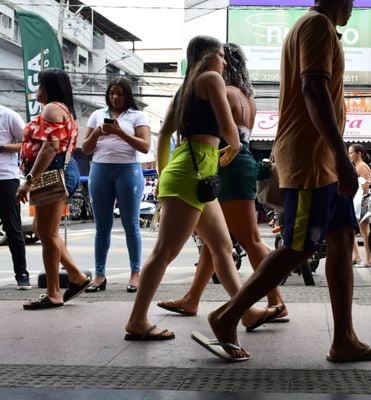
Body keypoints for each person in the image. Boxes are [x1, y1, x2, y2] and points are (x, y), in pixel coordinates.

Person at [196, 0, 371, 363]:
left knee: (343, 237)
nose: (352, 6)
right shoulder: (315, 27)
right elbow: (313, 89)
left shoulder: (319, 28)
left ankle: (344, 337)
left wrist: (337, 158)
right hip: (313, 159)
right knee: (298, 246)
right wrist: (339, 156)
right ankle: (227, 316)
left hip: (324, 161)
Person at [125, 36, 281, 340]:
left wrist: (162, 172)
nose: (224, 62)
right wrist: (234, 147)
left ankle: (245, 312)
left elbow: (164, 133)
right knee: (164, 252)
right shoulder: (211, 78)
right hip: (192, 173)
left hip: (192, 172)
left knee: (222, 247)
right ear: (209, 56)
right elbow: (228, 128)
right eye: (222, 56)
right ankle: (137, 319)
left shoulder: (184, 89)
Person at [156, 43, 288, 319]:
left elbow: (220, 133)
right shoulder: (247, 97)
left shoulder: (222, 92)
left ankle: (276, 300)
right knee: (215, 241)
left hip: (224, 163)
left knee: (249, 239)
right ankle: (192, 298)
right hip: (241, 163)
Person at [16, 68, 91, 309]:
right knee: (43, 230)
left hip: (52, 173)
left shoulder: (51, 109)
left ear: (48, 88)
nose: (36, 90)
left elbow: (50, 148)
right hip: (57, 172)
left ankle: (53, 292)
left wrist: (29, 180)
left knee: (47, 235)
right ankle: (76, 277)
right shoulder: (62, 110)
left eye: (39, 85)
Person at [82, 77, 151, 293]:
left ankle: (135, 273)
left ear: (127, 95)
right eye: (112, 93)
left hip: (128, 170)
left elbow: (145, 147)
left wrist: (120, 132)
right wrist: (97, 132)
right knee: (102, 227)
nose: (115, 97)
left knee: (131, 224)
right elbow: (85, 149)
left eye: (120, 93)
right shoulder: (97, 115)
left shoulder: (138, 116)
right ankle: (99, 275)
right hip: (100, 170)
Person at [0, 105, 31, 290]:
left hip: (5, 178)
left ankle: (22, 275)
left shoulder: (8, 115)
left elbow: (27, 143)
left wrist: (3, 147)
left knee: (12, 227)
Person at [349, 143, 371, 268]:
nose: (349, 155)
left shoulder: (362, 166)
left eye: (351, 153)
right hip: (357, 202)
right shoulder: (357, 166)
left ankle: (368, 259)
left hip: (362, 202)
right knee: (351, 229)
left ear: (358, 154)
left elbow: (365, 186)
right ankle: (356, 256)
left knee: (365, 232)